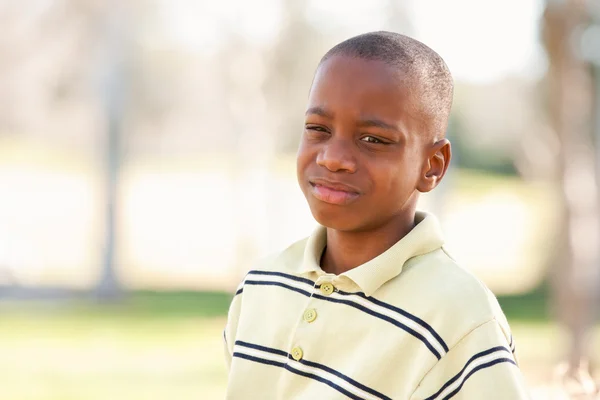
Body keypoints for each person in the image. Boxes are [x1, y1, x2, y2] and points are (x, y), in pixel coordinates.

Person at [223, 31, 530, 399]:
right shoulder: (262, 285)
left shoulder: (460, 316)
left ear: (432, 166)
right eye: (318, 129)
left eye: (373, 139)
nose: (332, 157)